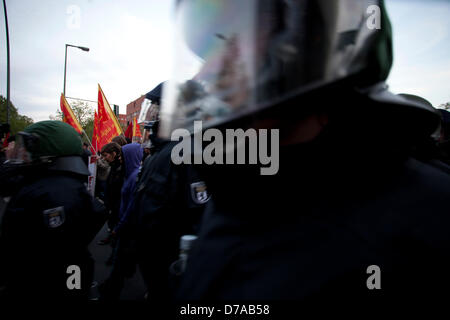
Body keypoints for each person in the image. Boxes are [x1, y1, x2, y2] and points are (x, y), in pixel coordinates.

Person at [157, 0, 450, 304]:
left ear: (313, 44)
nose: (206, 71)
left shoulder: (429, 224)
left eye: (234, 41)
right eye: (209, 51)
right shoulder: (239, 186)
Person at [0, 121, 106, 301]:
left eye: (27, 148)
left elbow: (50, 257)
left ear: (47, 154)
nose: (22, 154)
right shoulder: (48, 181)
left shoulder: (56, 193)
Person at [133, 82, 210, 301]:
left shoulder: (190, 152)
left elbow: (198, 224)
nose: (151, 112)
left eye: (156, 106)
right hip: (157, 276)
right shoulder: (161, 152)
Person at [99, 143, 142, 300]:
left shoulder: (134, 177)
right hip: (122, 223)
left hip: (126, 227)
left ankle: (111, 291)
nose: (121, 160)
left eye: (124, 157)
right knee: (119, 259)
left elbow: (130, 206)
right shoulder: (129, 174)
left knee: (119, 259)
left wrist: (120, 225)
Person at [98, 142, 124, 245]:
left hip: (116, 206)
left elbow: (117, 189)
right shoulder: (113, 166)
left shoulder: (121, 169)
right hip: (111, 204)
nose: (103, 158)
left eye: (105, 155)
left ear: (114, 154)